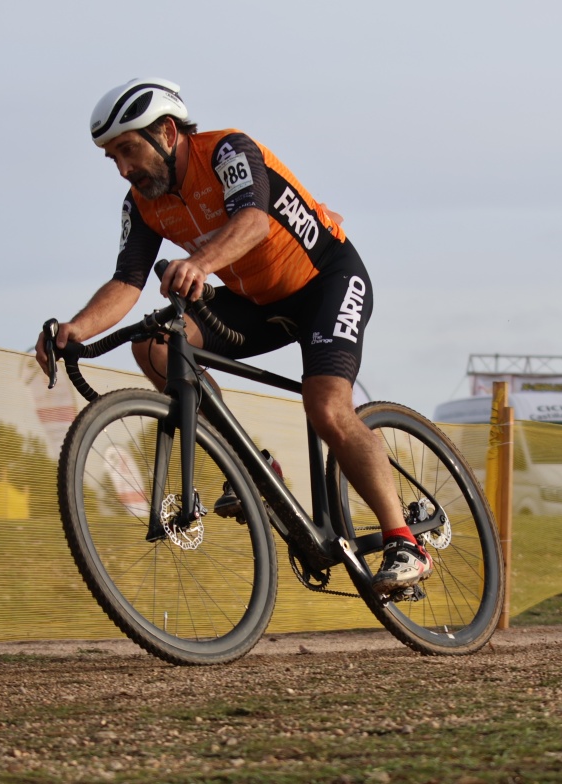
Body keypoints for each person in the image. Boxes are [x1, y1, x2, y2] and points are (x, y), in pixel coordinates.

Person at [35, 78, 431, 595]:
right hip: (256, 302)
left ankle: (405, 540)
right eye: (113, 159)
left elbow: (253, 222)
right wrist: (73, 330)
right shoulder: (141, 202)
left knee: (327, 407)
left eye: (128, 151)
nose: (124, 169)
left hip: (325, 281)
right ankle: (252, 464)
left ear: (168, 133)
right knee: (154, 347)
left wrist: (199, 263)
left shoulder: (226, 151)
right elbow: (127, 282)